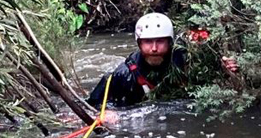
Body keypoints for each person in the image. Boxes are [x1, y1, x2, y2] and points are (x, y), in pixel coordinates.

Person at [87, 13, 238, 110]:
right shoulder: (124, 74)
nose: (154, 48)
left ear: (170, 42)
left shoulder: (187, 60)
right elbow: (93, 104)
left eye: (160, 42)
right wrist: (107, 112)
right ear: (139, 44)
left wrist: (225, 69)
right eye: (148, 42)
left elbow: (212, 79)